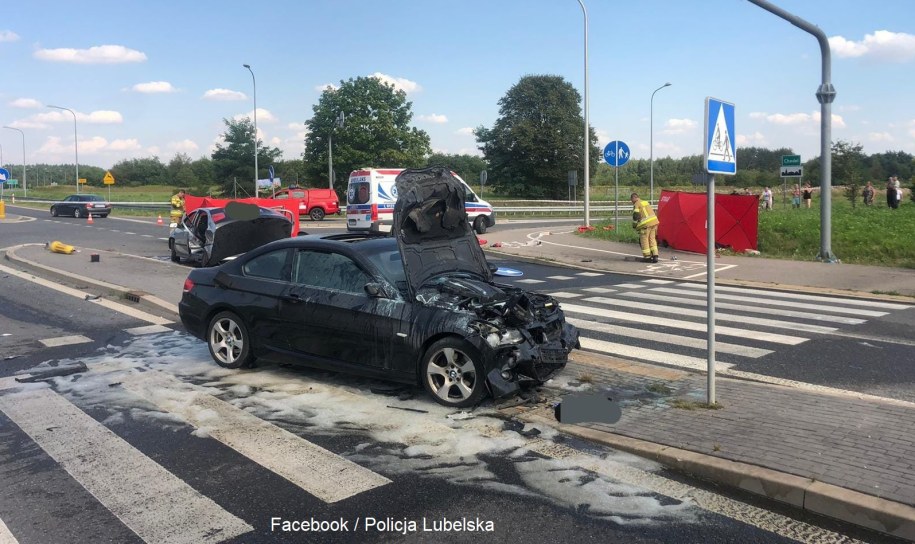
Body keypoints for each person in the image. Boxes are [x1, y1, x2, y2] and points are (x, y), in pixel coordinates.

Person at [630, 192, 660, 263]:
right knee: (652, 239)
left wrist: (634, 225)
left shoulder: (636, 204)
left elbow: (636, 216)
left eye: (631, 200)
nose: (631, 202)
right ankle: (655, 256)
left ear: (634, 198)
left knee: (644, 240)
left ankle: (647, 257)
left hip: (645, 225)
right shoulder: (645, 202)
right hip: (654, 223)